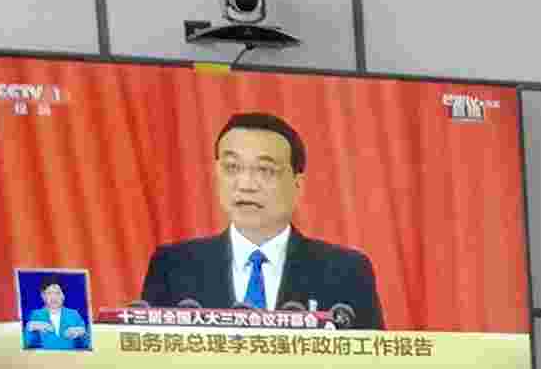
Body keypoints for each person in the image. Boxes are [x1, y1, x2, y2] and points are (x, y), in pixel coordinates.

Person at [136, 111, 386, 328]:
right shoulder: (173, 266)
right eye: (232, 167)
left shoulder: (346, 271)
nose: (245, 185)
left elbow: (372, 362)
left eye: (265, 170)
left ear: (297, 184)